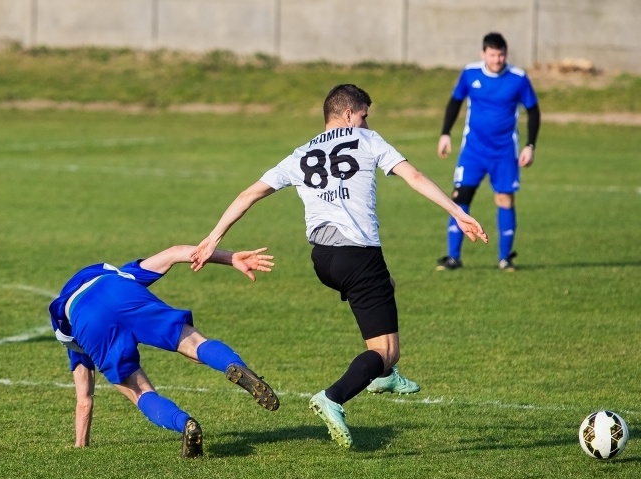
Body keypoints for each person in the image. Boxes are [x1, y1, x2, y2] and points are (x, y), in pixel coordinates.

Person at [191, 84, 488, 449]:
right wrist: (458, 212)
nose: (366, 122)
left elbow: (248, 195)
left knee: (386, 285)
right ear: (348, 114)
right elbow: (414, 176)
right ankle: (335, 396)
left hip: (323, 259)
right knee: (385, 351)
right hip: (358, 254)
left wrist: (213, 239)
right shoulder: (367, 141)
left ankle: (384, 374)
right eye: (364, 115)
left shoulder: (300, 154)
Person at [48, 244, 279, 458]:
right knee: (194, 344)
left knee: (139, 391)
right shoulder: (120, 274)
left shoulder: (65, 325)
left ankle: (185, 423)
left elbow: (84, 400)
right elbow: (175, 253)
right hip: (121, 291)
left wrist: (80, 446)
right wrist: (231, 258)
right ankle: (232, 365)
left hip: (86, 320)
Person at [436, 32, 541, 272]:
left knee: (504, 199)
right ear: (483, 53)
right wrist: (445, 134)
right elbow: (455, 102)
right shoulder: (470, 73)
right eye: (492, 55)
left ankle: (505, 259)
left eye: (501, 54)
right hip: (472, 151)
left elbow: (534, 111)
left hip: (504, 153)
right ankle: (453, 257)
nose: (497, 59)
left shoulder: (518, 78)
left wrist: (530, 145)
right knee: (459, 200)